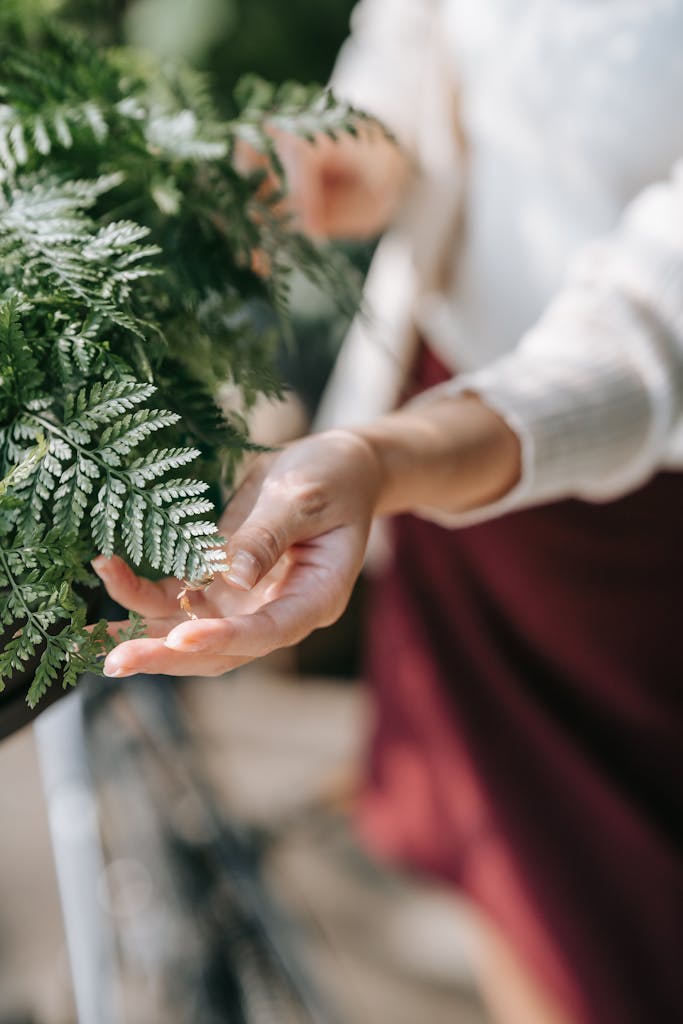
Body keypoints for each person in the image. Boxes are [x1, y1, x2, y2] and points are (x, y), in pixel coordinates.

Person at [93, 2, 683, 1022]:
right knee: (515, 872)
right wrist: (353, 143)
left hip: (617, 522)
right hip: (450, 456)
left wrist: (383, 454)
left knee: (618, 919)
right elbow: (425, 33)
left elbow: (652, 339)